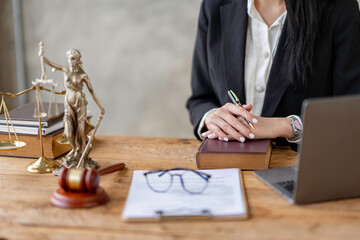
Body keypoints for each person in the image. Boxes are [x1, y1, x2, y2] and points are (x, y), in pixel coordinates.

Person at [186, 0, 360, 147]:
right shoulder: (214, 4)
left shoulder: (339, 7)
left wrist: (288, 126)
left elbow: (351, 112)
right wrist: (211, 116)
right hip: (228, 163)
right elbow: (200, 98)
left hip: (299, 167)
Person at [42, 49, 105, 169]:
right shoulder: (65, 70)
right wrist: (42, 57)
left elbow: (92, 92)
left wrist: (101, 107)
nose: (70, 61)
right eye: (69, 58)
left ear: (78, 60)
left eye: (73, 58)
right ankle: (76, 151)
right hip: (68, 103)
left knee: (81, 131)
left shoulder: (83, 75)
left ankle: (82, 155)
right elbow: (50, 63)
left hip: (79, 102)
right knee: (69, 131)